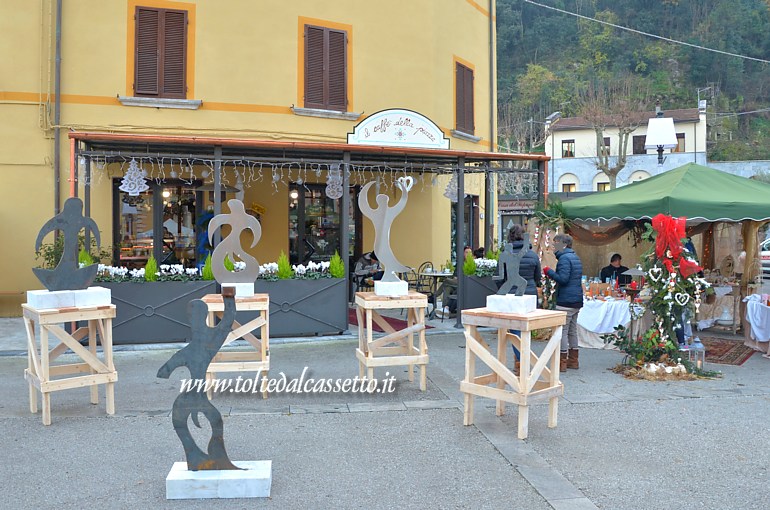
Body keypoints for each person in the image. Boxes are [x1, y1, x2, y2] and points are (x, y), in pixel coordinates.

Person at [504, 225, 542, 373]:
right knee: (527, 327)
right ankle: (523, 360)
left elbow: (501, 277)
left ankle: (520, 361)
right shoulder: (532, 255)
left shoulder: (507, 252)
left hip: (513, 293)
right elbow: (538, 277)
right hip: (530, 293)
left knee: (515, 329)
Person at [543, 234, 583, 372]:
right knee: (572, 331)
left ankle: (562, 362)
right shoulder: (575, 257)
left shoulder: (564, 259)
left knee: (563, 331)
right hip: (576, 300)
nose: (554, 247)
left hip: (566, 300)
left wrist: (549, 272)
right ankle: (574, 360)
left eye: (556, 244)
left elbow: (563, 279)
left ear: (563, 245)